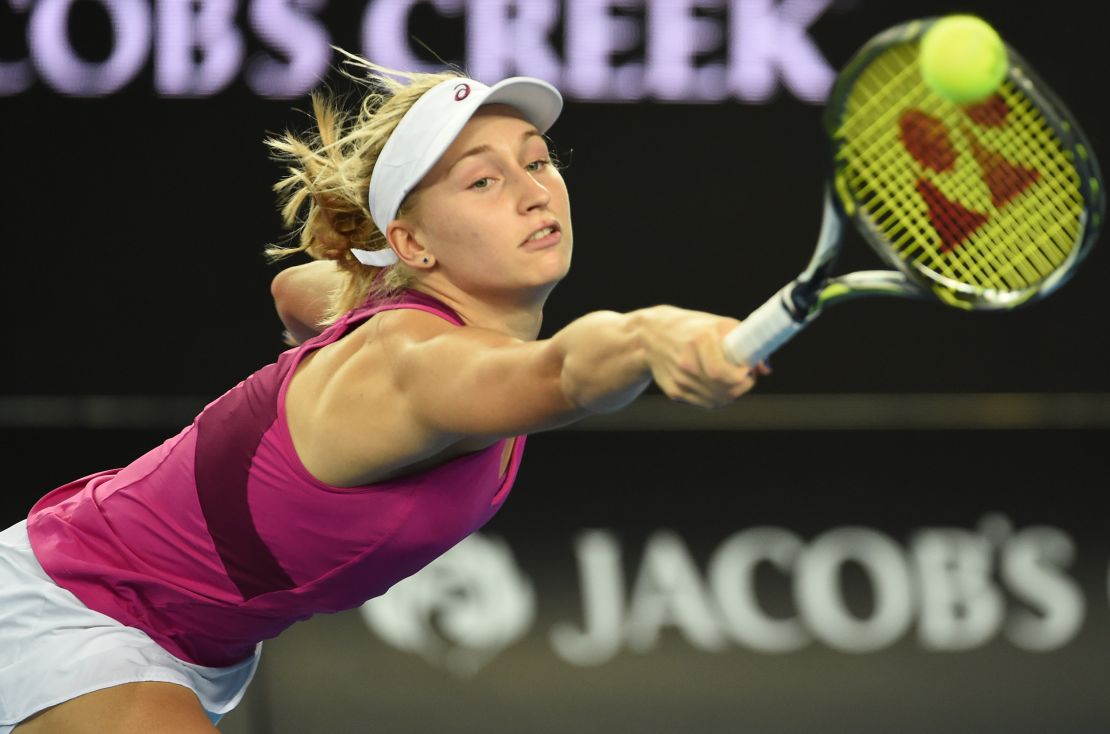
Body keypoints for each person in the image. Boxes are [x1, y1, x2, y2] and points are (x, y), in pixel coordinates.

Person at [0, 55, 766, 733]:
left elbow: (294, 287)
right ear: (412, 242)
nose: (534, 194)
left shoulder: (387, 315)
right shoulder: (417, 366)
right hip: (74, 610)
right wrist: (651, 336)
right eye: (484, 181)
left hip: (174, 636)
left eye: (537, 161)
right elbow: (562, 372)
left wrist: (359, 296)